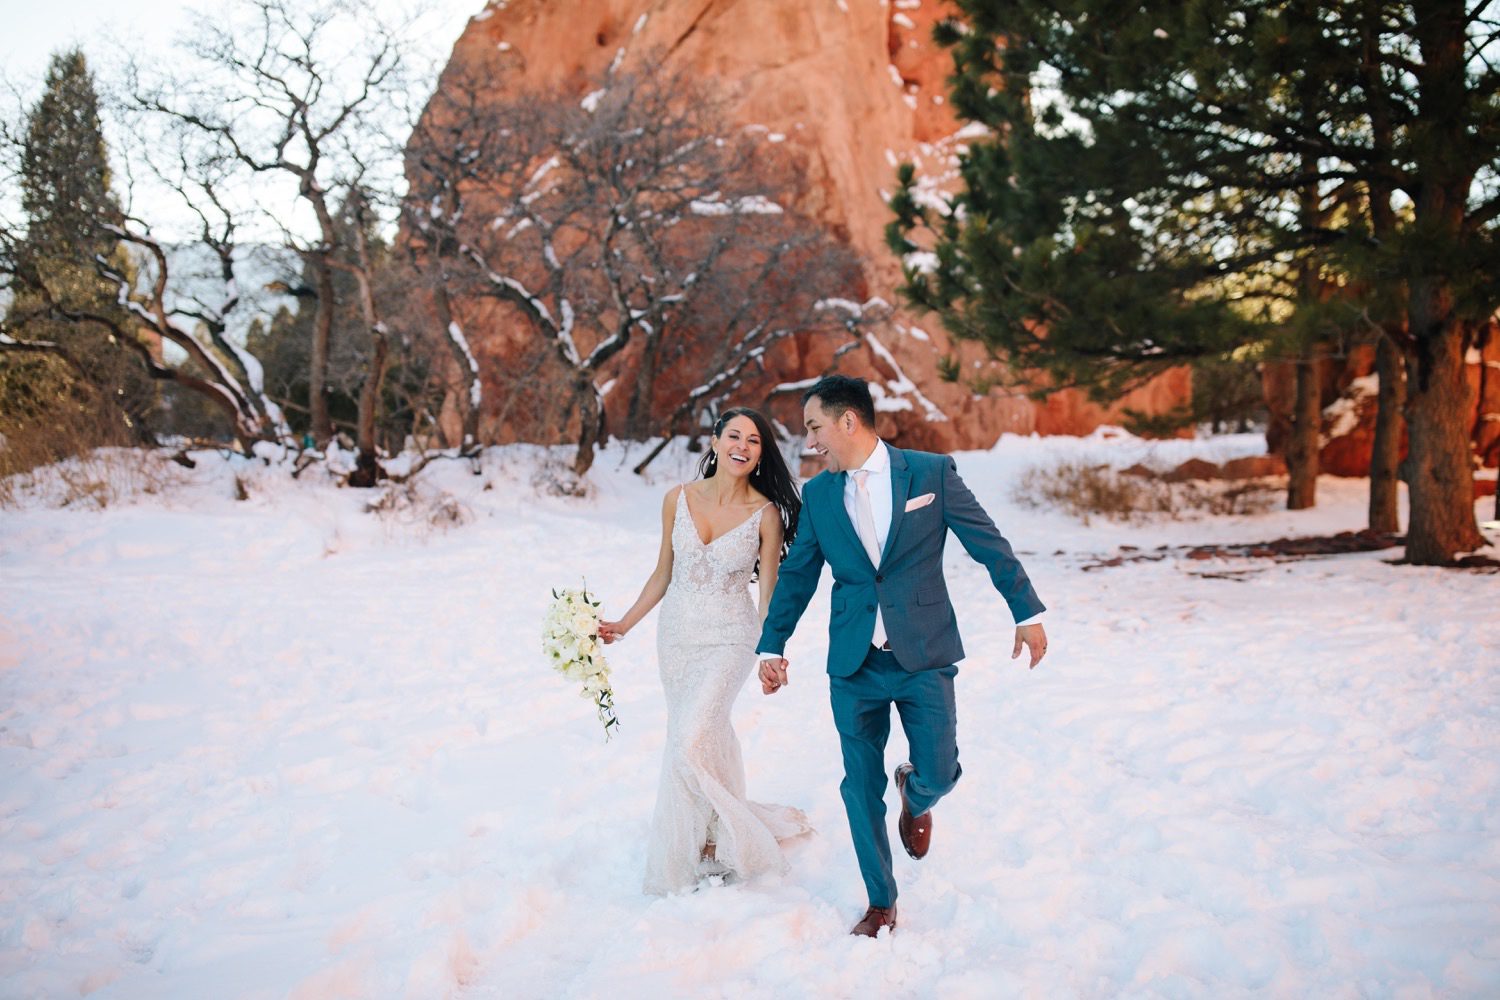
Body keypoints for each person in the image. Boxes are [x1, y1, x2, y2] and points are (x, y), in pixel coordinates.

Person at [756, 375, 1048, 937]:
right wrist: (773, 644)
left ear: (848, 421)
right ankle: (880, 902)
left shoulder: (931, 473)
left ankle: (916, 795)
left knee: (941, 769)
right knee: (857, 785)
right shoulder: (818, 495)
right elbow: (797, 576)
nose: (810, 440)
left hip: (924, 654)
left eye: (815, 426)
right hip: (854, 663)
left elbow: (987, 542)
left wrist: (1026, 612)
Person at [600, 407, 810, 894]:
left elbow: (768, 595)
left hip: (730, 638)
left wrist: (771, 653)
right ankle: (708, 837)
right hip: (675, 637)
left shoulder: (766, 514)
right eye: (734, 435)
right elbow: (662, 573)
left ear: (761, 454)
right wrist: (623, 625)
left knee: (692, 736)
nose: (743, 445)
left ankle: (731, 840)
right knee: (694, 734)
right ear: (715, 441)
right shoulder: (677, 499)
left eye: (754, 440)